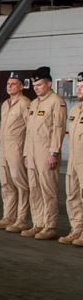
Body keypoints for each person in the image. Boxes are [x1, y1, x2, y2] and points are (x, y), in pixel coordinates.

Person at [21, 66, 66, 241]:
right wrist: (26, 153)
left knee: (48, 190)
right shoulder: (34, 103)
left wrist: (54, 152)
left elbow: (58, 129)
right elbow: (29, 131)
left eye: (40, 84)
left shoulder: (56, 101)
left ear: (49, 83)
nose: (36, 88)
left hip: (46, 152)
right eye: (35, 85)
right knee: (34, 189)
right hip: (32, 153)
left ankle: (50, 225)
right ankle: (38, 223)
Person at [0, 74, 32, 233]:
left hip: (17, 149)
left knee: (20, 184)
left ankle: (22, 219)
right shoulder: (6, 104)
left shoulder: (25, 104)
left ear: (21, 86)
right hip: (4, 149)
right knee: (6, 183)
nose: (9, 86)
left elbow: (30, 129)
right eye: (8, 83)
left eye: (14, 84)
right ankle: (8, 217)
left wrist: (27, 151)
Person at [61, 72, 83, 245]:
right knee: (72, 195)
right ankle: (76, 229)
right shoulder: (75, 109)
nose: (79, 89)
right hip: (73, 161)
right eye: (79, 86)